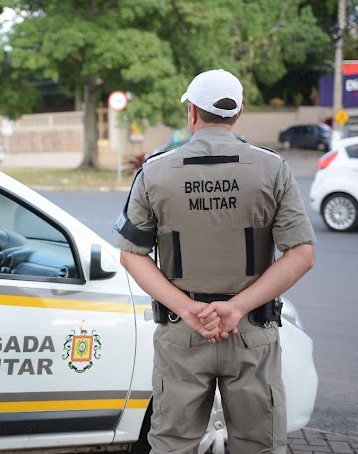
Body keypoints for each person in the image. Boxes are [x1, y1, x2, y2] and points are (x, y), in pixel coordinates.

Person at [114, 69, 315, 454]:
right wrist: (237, 307)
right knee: (259, 446)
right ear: (239, 113)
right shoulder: (273, 169)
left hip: (182, 331)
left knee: (172, 445)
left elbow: (131, 254)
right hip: (251, 330)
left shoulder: (155, 171)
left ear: (192, 112)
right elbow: (301, 255)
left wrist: (188, 309)